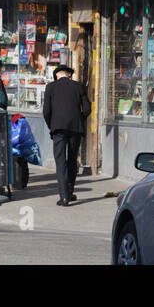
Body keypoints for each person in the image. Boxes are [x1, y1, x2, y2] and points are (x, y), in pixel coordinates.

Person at [42, 63, 90, 207]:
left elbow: (46, 111)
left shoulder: (50, 87)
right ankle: (69, 192)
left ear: (57, 75)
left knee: (60, 161)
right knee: (72, 161)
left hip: (58, 129)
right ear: (68, 74)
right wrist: (79, 120)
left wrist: (53, 125)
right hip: (75, 128)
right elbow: (87, 108)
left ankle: (64, 196)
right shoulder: (78, 86)